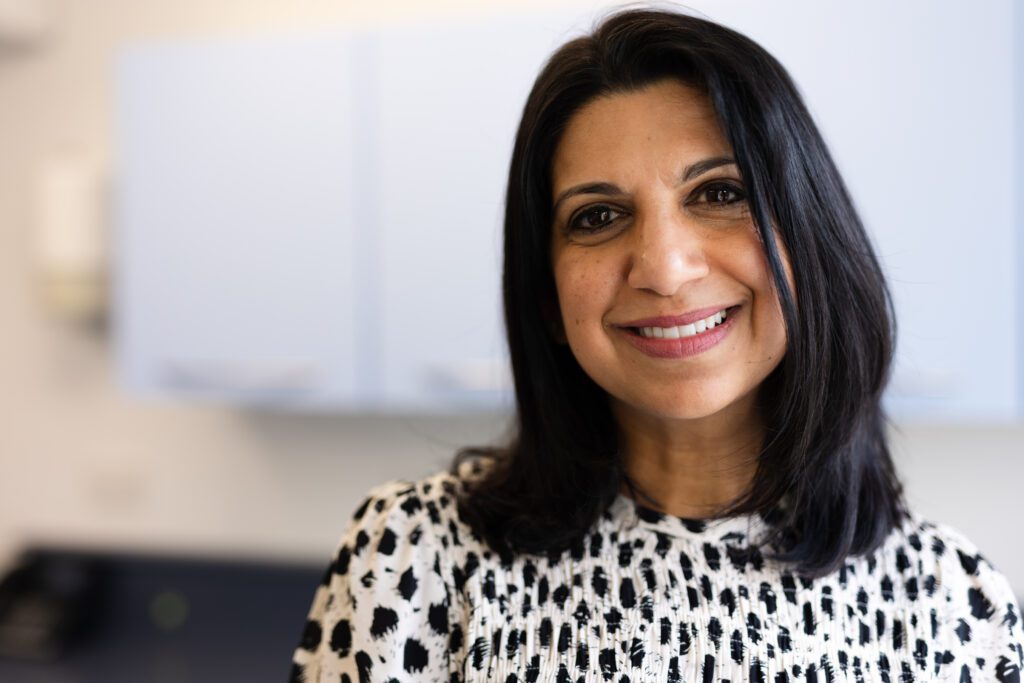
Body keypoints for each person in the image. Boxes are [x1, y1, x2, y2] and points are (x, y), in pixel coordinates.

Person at [291, 8, 1024, 682]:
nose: (666, 269)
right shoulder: (414, 558)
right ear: (548, 296)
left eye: (719, 193)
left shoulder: (956, 606)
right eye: (599, 214)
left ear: (812, 239)